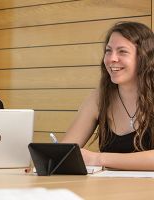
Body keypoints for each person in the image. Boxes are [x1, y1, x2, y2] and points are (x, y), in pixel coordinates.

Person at [62, 21, 154, 170]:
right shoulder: (99, 98)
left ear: (144, 57)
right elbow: (64, 152)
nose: (112, 59)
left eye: (122, 51)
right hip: (109, 191)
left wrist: (98, 158)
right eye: (108, 51)